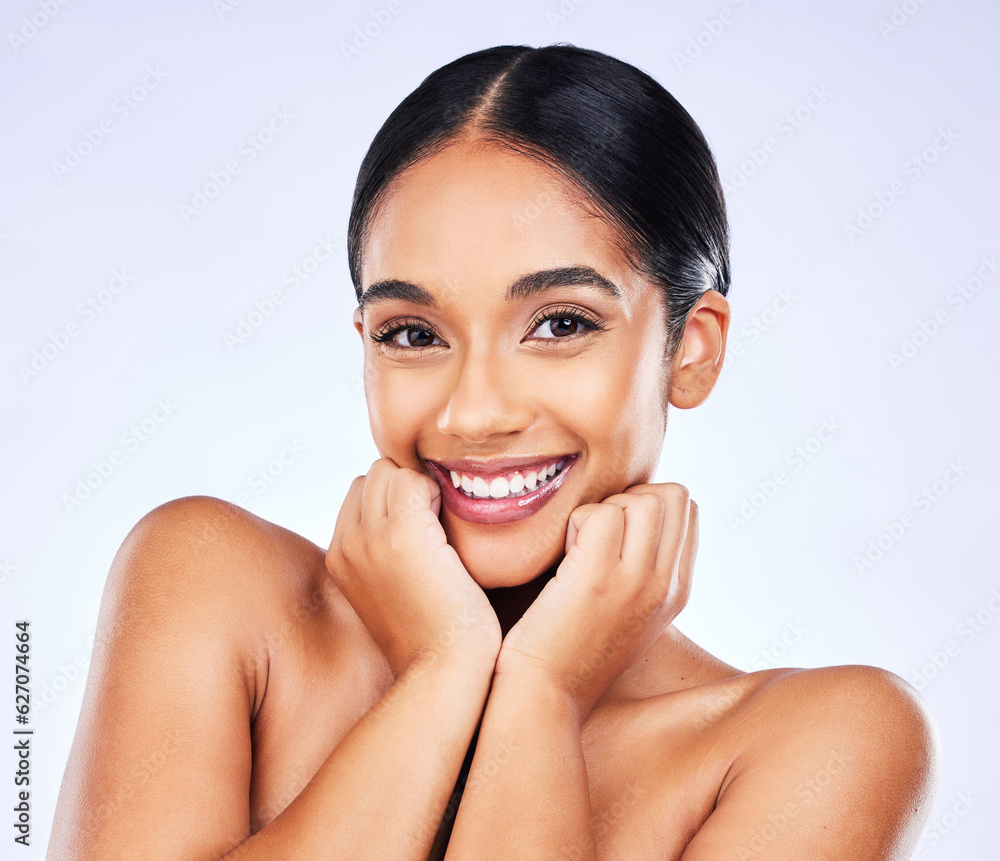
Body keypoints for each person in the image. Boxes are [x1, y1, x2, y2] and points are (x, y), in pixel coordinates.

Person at [47, 44, 938, 859]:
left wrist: (542, 691)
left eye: (559, 323)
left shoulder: (815, 741)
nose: (474, 412)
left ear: (691, 347)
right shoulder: (213, 583)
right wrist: (442, 670)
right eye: (413, 332)